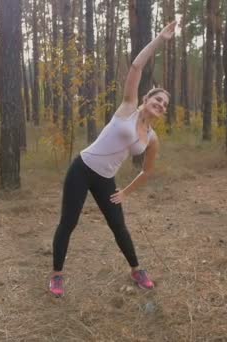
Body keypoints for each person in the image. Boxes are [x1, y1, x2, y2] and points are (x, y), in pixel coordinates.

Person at [49, 21, 177, 297]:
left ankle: (136, 269)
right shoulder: (128, 108)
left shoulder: (152, 139)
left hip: (106, 179)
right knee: (68, 222)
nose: (161, 105)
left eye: (165, 105)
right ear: (146, 99)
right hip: (82, 168)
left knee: (118, 225)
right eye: (157, 99)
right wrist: (159, 40)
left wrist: (125, 192)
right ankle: (57, 275)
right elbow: (136, 67)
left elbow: (146, 172)